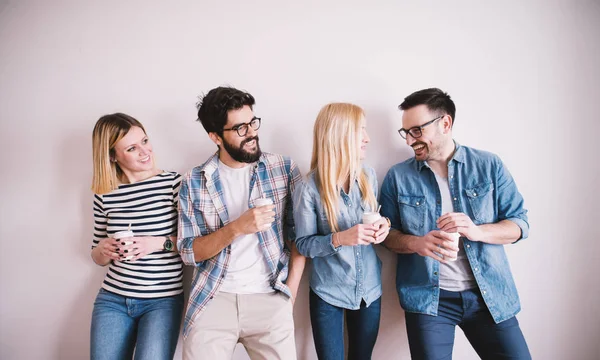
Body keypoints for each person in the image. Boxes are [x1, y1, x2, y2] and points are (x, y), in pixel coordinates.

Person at [380, 88, 531, 359]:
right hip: (430, 301)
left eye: (416, 130)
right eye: (406, 133)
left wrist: (476, 231)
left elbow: (519, 225)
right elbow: (387, 235)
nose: (409, 141)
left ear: (445, 123)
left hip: (489, 296)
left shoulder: (489, 165)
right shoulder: (398, 177)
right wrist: (417, 243)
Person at [177, 86, 305, 360]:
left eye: (252, 122)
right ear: (215, 137)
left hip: (270, 296)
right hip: (214, 296)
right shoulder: (194, 181)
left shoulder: (282, 169)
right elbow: (189, 252)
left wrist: (289, 296)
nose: (251, 133)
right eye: (240, 128)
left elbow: (301, 237)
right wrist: (236, 228)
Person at [294, 103, 390, 360]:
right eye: (361, 130)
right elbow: (303, 244)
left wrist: (385, 226)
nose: (367, 138)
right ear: (340, 134)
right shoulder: (309, 188)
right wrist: (339, 239)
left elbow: (379, 218)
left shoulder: (368, 176)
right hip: (328, 292)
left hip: (370, 290)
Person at [89, 113, 183, 360]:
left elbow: (195, 243)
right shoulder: (104, 194)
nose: (145, 151)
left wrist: (156, 243)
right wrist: (103, 250)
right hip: (113, 298)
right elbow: (96, 254)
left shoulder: (173, 183)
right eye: (132, 148)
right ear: (112, 156)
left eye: (144, 140)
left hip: (161, 302)